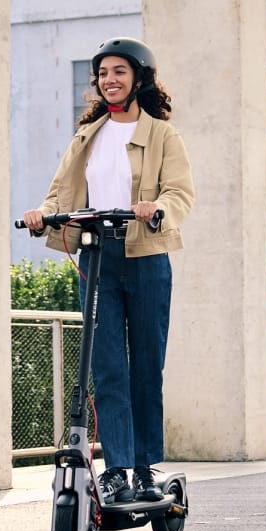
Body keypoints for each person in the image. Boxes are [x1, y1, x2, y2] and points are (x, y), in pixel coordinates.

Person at [21, 37, 194, 504]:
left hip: (145, 256)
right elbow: (60, 193)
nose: (109, 80)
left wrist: (157, 208)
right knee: (108, 366)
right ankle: (116, 468)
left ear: (139, 78)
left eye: (119, 71)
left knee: (146, 367)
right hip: (97, 256)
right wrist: (42, 214)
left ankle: (145, 468)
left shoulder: (163, 135)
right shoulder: (87, 136)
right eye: (102, 73)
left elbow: (179, 192)